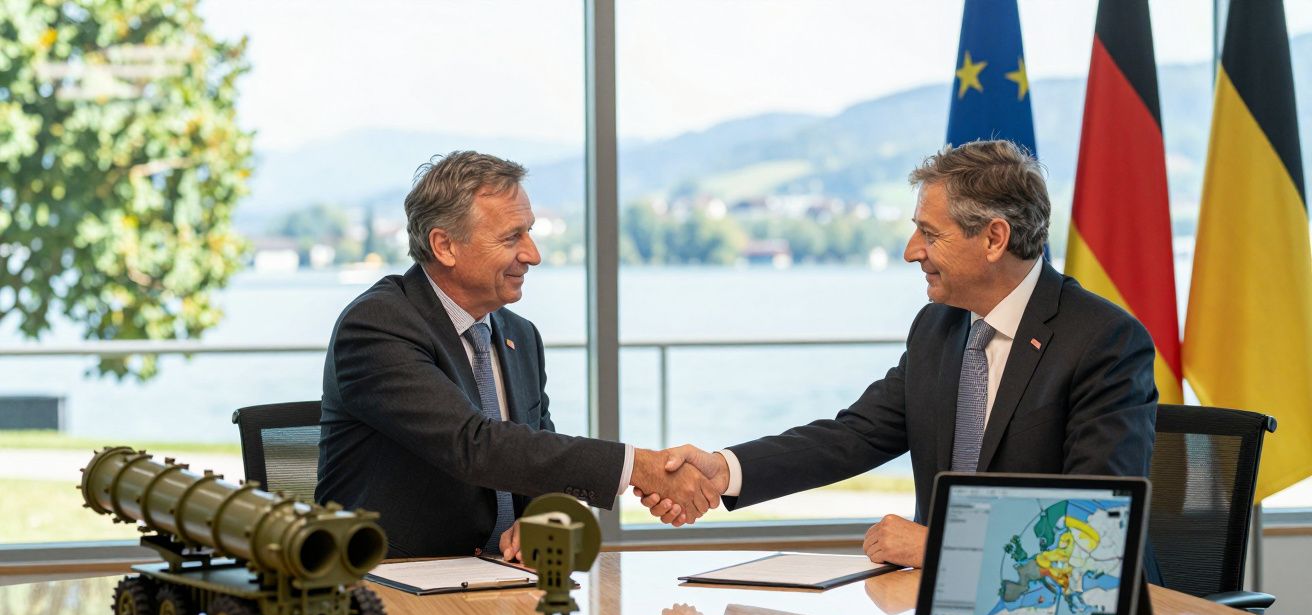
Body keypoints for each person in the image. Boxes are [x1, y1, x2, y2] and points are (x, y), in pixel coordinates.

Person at [636, 140, 1158, 569]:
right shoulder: (938, 327)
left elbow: (1096, 528)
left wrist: (939, 548)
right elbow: (855, 435)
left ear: (995, 238)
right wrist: (724, 470)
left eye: (930, 233)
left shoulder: (1104, 342)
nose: (912, 251)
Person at [317, 151, 718, 559]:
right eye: (512, 238)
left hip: (504, 584)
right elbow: (474, 444)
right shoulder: (377, 325)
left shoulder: (519, 335)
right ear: (445, 245)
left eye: (529, 232)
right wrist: (639, 467)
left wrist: (544, 517)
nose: (533, 254)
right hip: (391, 587)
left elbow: (537, 463)